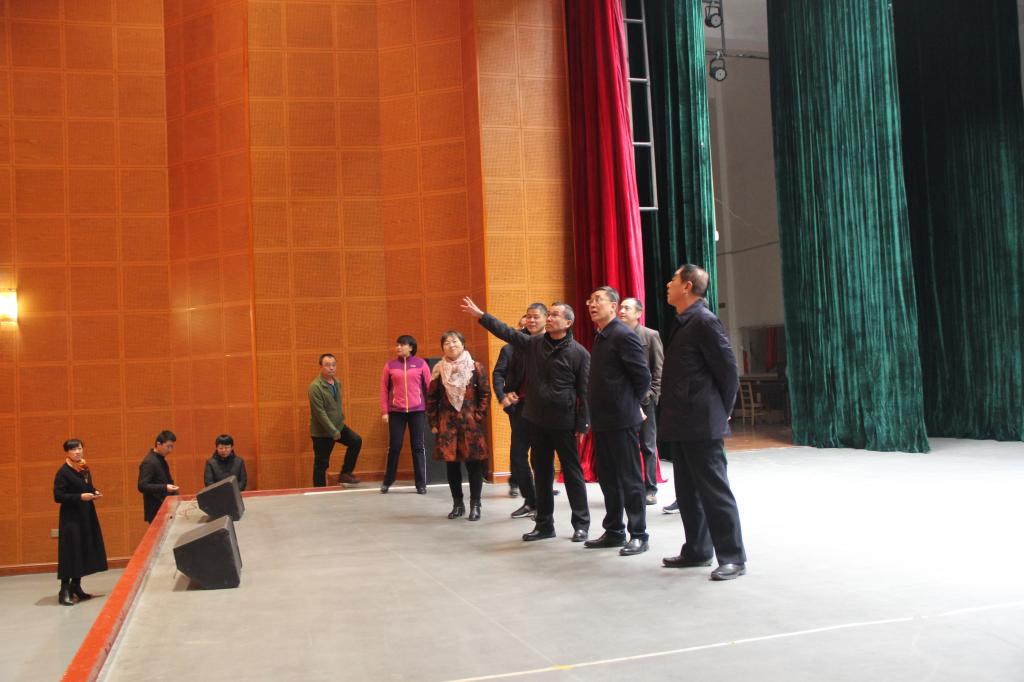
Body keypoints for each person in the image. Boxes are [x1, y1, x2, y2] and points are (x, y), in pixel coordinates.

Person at [461, 296, 591, 543]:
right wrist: (481, 316)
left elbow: (585, 392)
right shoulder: (534, 343)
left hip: (564, 422)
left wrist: (583, 423)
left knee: (572, 473)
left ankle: (581, 524)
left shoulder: (579, 354)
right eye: (549, 314)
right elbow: (507, 332)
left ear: (568, 323)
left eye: (555, 315)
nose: (549, 318)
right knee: (541, 473)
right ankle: (544, 524)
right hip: (536, 419)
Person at [660, 264, 747, 580]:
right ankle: (697, 550)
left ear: (687, 286)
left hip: (702, 420)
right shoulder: (683, 321)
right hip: (683, 420)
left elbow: (728, 370)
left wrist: (723, 410)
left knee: (714, 491)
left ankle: (733, 557)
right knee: (687, 492)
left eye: (673, 279)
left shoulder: (705, 321)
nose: (668, 284)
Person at [583, 287, 652, 556]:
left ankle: (639, 534)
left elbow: (642, 377)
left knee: (630, 478)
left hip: (622, 419)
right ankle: (614, 531)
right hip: (603, 420)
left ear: (613, 306)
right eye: (590, 300)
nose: (592, 304)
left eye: (598, 300)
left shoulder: (623, 335)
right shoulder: (602, 335)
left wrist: (630, 403)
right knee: (608, 478)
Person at [426, 331, 491, 521]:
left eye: (454, 341)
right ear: (442, 347)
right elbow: (432, 398)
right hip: (448, 424)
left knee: (474, 465)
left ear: (463, 344)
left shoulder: (475, 367)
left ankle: (475, 505)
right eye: (446, 342)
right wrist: (433, 422)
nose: (451, 345)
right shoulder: (438, 369)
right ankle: (457, 504)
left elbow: (485, 393)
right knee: (452, 465)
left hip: (471, 423)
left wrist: (479, 415)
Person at [493, 305, 548, 518]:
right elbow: (498, 374)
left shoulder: (551, 345)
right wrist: (503, 396)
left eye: (536, 317)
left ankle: (543, 503)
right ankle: (530, 501)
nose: (531, 321)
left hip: (544, 409)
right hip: (520, 408)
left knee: (540, 457)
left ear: (546, 319)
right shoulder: (510, 348)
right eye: (528, 317)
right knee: (518, 457)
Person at [619, 297, 664, 505]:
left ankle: (650, 489)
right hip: (622, 400)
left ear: (638, 313)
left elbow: (658, 369)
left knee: (648, 445)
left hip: (645, 400)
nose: (622, 311)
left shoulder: (650, 335)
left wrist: (652, 394)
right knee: (625, 446)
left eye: (627, 308)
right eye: (621, 307)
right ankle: (630, 487)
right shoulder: (616, 335)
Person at [53, 439, 108, 606]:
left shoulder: (83, 468)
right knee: (70, 551)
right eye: (73, 449)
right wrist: (80, 497)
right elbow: (58, 496)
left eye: (79, 448)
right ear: (67, 452)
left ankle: (76, 586)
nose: (77, 452)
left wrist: (94, 492)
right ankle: (64, 590)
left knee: (82, 549)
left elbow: (87, 487)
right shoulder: (63, 472)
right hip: (71, 518)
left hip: (86, 515)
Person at [380, 335, 431, 494]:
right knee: (395, 446)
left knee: (418, 447)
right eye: (397, 345)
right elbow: (384, 389)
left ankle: (421, 484)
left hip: (418, 411)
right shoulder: (390, 366)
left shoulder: (421, 364)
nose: (398, 347)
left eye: (402, 345)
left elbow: (429, 387)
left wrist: (431, 409)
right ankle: (388, 481)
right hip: (396, 412)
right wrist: (384, 411)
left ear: (411, 347)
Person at [308, 353, 362, 487]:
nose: (331, 368)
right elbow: (319, 413)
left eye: (333, 365)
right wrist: (333, 431)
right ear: (321, 367)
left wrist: (338, 425)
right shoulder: (315, 387)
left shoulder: (337, 382)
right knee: (321, 464)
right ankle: (319, 490)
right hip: (322, 432)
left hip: (338, 426)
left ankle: (345, 473)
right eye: (327, 365)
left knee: (356, 441)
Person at [138, 430, 180, 523]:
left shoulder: (160, 460)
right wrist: (165, 487)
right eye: (168, 446)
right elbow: (142, 486)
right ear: (158, 444)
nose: (170, 450)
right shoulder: (149, 462)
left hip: (165, 508)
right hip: (156, 510)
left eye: (172, 447)